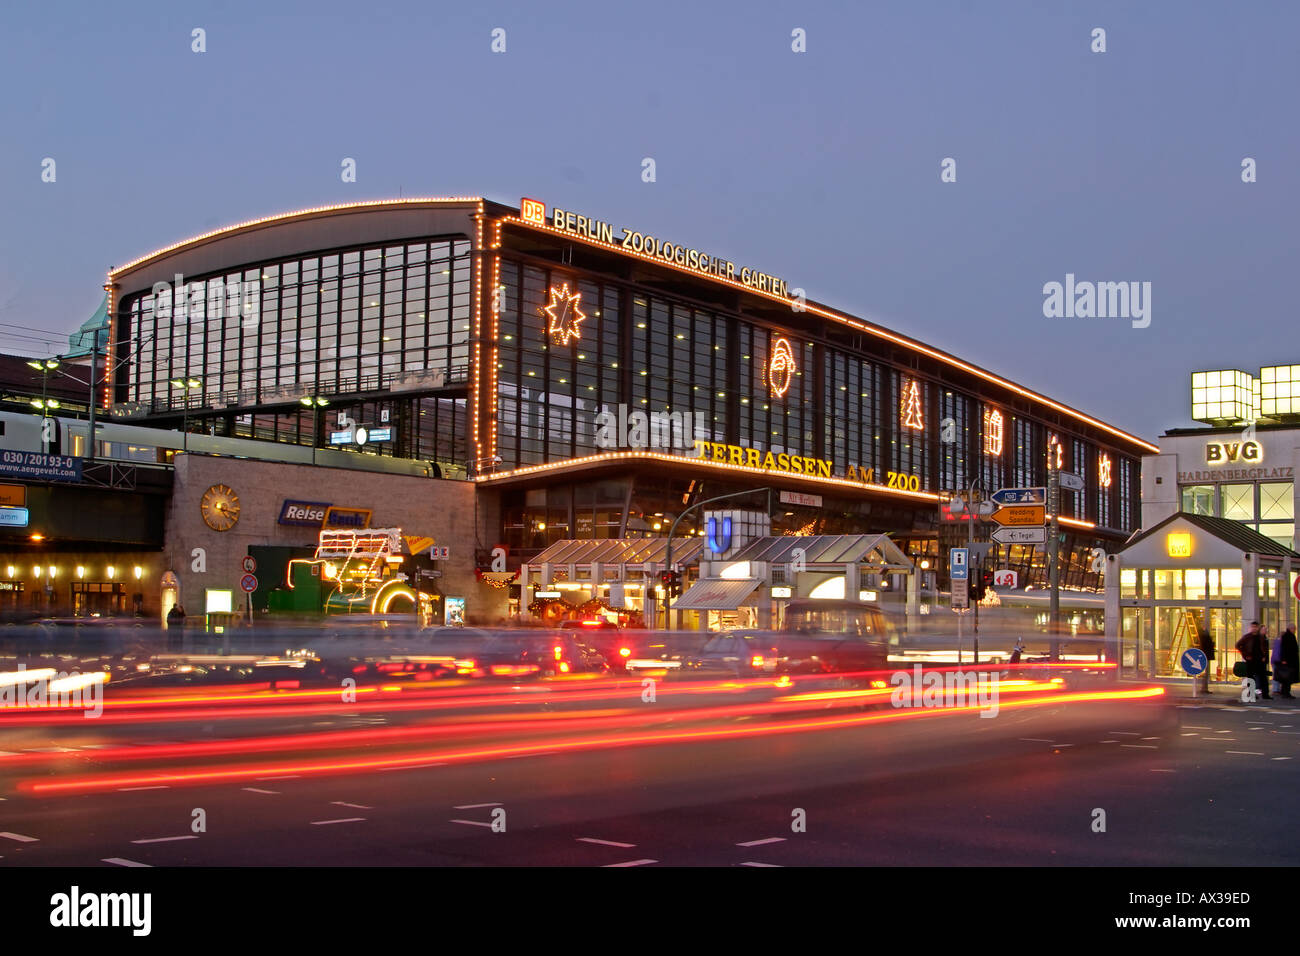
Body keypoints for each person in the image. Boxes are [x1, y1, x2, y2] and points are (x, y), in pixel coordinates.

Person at [1236, 621, 1270, 701]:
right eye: (1253, 627)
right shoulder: (1247, 637)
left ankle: (1265, 694)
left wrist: (1264, 656)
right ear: (1251, 628)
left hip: (1260, 660)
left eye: (1255, 627)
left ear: (1258, 628)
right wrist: (1245, 655)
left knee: (1263, 677)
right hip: (1251, 660)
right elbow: (1238, 645)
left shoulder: (1260, 637)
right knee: (1251, 678)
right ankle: (1252, 694)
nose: (1254, 628)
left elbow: (1264, 647)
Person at [1274, 627, 1298, 699]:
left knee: (1286, 678)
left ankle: (1285, 692)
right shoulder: (1287, 637)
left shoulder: (1289, 636)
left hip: (1289, 661)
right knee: (1287, 677)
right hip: (1288, 662)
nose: (1295, 630)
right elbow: (1283, 649)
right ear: (1291, 629)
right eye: (1294, 629)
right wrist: (1283, 659)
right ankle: (1285, 693)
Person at [1196, 626, 1215, 694]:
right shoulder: (1204, 636)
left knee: (1206, 672)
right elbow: (1207, 645)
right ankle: (1204, 688)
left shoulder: (1203, 636)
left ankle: (1204, 688)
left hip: (1205, 655)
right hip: (1206, 655)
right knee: (1205, 672)